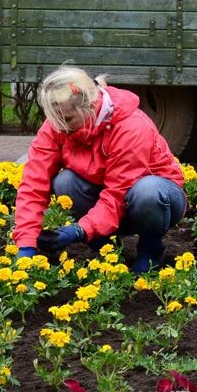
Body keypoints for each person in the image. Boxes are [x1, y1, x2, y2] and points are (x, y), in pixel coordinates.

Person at [12, 67, 186, 273]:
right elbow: (33, 183)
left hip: (155, 202)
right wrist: (26, 244)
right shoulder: (58, 125)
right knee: (65, 182)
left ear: (91, 106)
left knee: (148, 191)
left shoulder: (131, 127)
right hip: (107, 204)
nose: (61, 127)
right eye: (55, 119)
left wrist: (79, 230)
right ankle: (104, 247)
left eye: (67, 119)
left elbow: (117, 193)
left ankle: (150, 250)